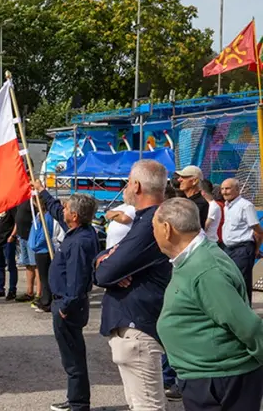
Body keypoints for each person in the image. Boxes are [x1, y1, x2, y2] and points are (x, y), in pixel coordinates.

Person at [153, 197, 263, 411]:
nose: (153, 234)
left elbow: (247, 325)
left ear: (167, 229)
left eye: (154, 227)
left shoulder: (205, 269)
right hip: (209, 377)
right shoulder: (191, 260)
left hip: (220, 380)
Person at [94, 159, 173, 409]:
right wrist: (103, 262)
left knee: (147, 405)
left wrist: (107, 266)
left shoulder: (152, 222)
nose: (126, 187)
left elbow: (106, 273)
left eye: (128, 182)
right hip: (135, 324)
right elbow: (106, 260)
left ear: (136, 186)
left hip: (139, 327)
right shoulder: (146, 220)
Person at [31, 180, 98, 411]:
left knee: (73, 358)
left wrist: (65, 306)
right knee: (71, 355)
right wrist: (42, 192)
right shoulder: (79, 229)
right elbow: (56, 211)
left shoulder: (80, 241)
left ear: (76, 216)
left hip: (68, 307)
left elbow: (77, 281)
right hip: (65, 304)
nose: (63, 209)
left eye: (68, 207)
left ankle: (78, 403)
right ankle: (75, 398)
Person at [219, 178, 263, 306]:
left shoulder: (245, 206)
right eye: (222, 189)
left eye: (227, 188)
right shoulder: (227, 206)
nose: (224, 192)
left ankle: (245, 312)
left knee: (241, 281)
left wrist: (255, 249)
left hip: (242, 248)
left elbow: (257, 230)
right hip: (228, 248)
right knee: (228, 280)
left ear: (237, 190)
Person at [28, 196, 64, 313]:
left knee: (45, 277)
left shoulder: (47, 217)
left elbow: (45, 234)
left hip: (44, 250)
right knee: (44, 277)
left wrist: (36, 244)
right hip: (39, 250)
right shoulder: (39, 216)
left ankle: (47, 301)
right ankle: (45, 298)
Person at [14, 198, 38, 303]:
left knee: (36, 266)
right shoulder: (20, 200)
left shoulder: (32, 200)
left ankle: (39, 294)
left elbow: (40, 213)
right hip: (22, 237)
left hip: (32, 238)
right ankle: (29, 292)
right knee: (28, 265)